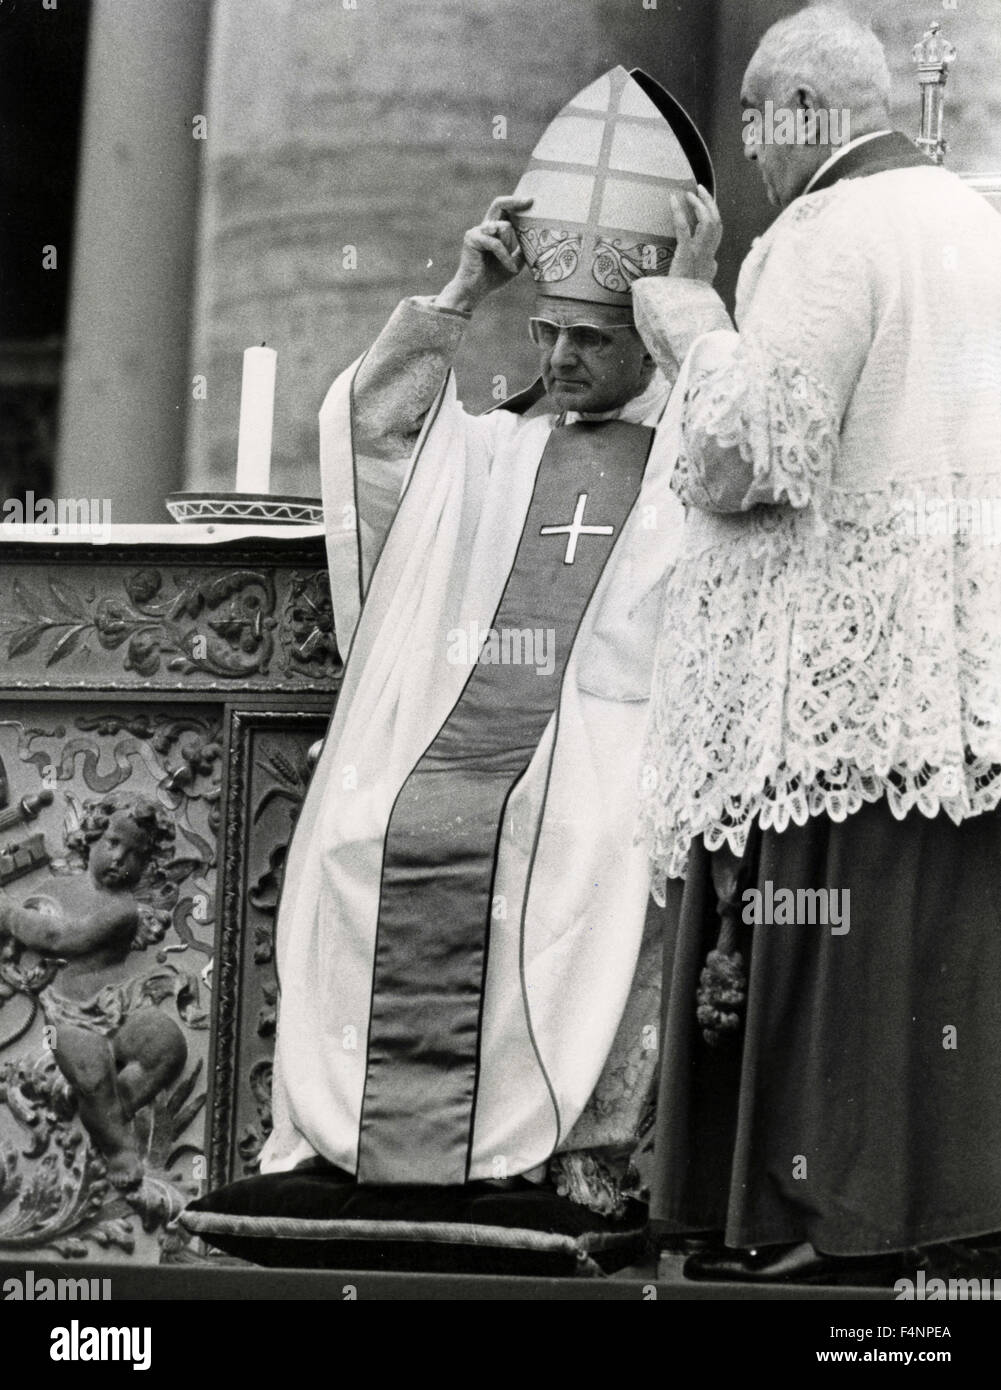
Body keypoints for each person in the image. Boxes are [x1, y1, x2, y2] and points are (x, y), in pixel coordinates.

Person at [261, 66, 715, 1215]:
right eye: (544, 329)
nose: (555, 360)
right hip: (466, 732)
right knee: (353, 827)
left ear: (654, 336)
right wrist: (461, 294)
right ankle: (364, 1137)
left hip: (617, 745)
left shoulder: (695, 457)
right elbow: (376, 434)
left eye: (587, 339)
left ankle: (579, 1152)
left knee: (574, 837)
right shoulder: (503, 445)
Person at [636, 5, 1001, 1281]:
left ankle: (808, 1217)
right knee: (945, 944)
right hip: (953, 672)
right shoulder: (977, 220)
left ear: (805, 114)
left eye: (752, 117)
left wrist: (685, 314)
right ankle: (941, 1218)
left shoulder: (824, 230)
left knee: (830, 924)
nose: (746, 145)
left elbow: (754, 454)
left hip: (838, 679)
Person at [0, 794, 187, 1189]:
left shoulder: (123, 909)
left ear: (147, 864)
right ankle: (117, 1144)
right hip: (61, 1020)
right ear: (91, 838)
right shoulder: (55, 887)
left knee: (166, 1041)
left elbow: (62, 937)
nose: (120, 858)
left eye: (135, 854)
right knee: (89, 1064)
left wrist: (8, 914)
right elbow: (28, 941)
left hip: (117, 1009)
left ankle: (107, 1113)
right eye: (113, 843)